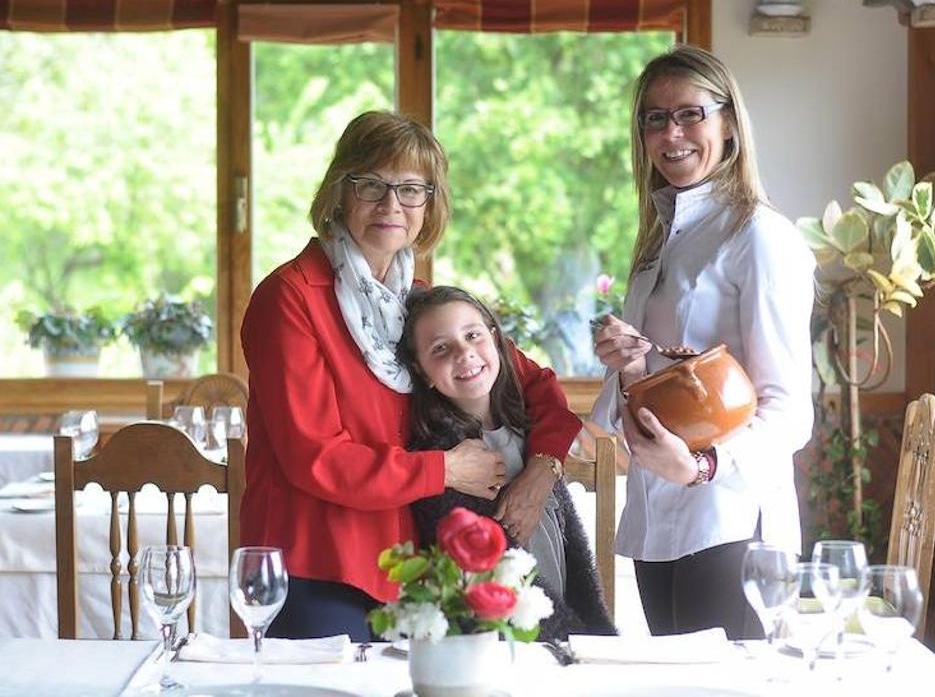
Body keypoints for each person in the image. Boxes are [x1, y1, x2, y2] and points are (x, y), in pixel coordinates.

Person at [240, 111, 580, 640]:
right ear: (339, 192)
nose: (391, 205)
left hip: (415, 566)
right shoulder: (290, 298)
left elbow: (537, 387)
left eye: (411, 189)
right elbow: (314, 456)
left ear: (430, 204)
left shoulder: (419, 302)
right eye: (372, 185)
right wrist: (442, 471)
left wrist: (542, 470)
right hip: (318, 560)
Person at [591, 45, 815, 639]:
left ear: (729, 124)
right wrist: (629, 364)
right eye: (655, 118)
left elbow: (790, 413)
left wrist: (702, 466)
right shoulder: (657, 243)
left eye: (691, 114)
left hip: (733, 519)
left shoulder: (761, 238)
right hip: (656, 519)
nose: (672, 133)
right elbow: (655, 392)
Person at [396, 285, 616, 639]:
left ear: (497, 341)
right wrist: (570, 642)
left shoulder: (531, 435)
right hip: (508, 643)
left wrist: (596, 636)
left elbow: (572, 555)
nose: (464, 353)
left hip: (566, 636)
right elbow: (492, 584)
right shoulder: (445, 457)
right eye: (441, 348)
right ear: (422, 372)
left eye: (472, 335)